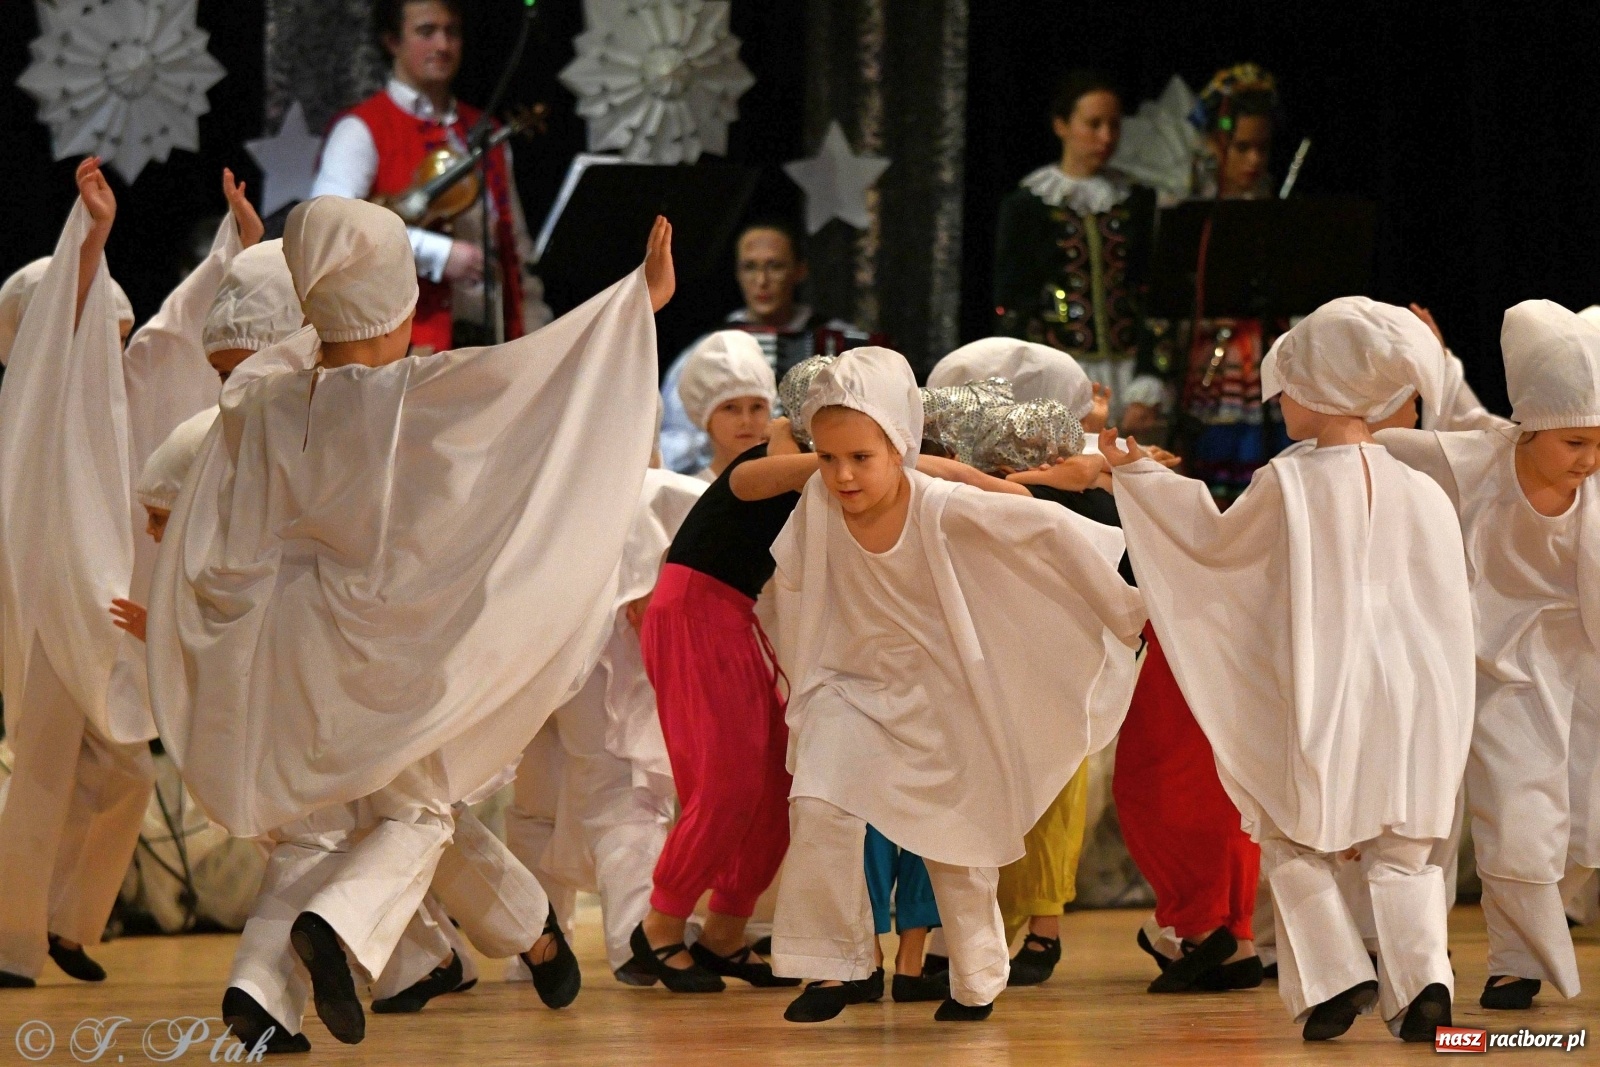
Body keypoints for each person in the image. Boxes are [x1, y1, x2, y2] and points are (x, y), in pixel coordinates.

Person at [144, 198, 675, 1047]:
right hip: (384, 644)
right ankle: (345, 926)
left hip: (290, 647)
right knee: (421, 811)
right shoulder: (418, 392)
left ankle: (259, 990)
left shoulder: (262, 402)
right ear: (394, 303)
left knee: (318, 825)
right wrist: (634, 305)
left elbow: (269, 352)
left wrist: (269, 260)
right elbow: (537, 376)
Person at [1105, 297, 1473, 1043]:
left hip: (1327, 689)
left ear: (1326, 387)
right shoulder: (1423, 488)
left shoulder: (1290, 481)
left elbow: (1216, 549)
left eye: (1288, 388)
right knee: (1403, 849)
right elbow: (1447, 607)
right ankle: (1425, 981)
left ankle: (1336, 975)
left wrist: (1137, 478)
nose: (1277, 404)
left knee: (1286, 828)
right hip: (1415, 693)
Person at [769, 348, 1145, 1023]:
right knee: (818, 803)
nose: (842, 474)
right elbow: (793, 584)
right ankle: (833, 966)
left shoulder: (939, 504)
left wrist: (1127, 608)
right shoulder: (817, 504)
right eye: (828, 459)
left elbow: (1046, 525)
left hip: (939, 693)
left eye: (861, 457)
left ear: (899, 446)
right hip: (849, 690)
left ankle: (975, 974)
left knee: (955, 837)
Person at [0, 159, 259, 989]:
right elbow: (58, 332)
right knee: (40, 771)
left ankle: (69, 922)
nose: (110, 349)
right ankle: (12, 941)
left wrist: (233, 252)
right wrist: (92, 238)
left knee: (125, 773)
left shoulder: (128, 382)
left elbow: (180, 331)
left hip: (106, 610)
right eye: (89, 332)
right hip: (50, 608)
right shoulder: (39, 404)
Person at [1377, 299, 1599, 1013]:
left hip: (1540, 675)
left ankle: (1518, 959)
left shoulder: (1594, 491)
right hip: (1444, 664)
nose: (1589, 460)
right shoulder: (1474, 456)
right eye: (1574, 444)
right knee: (1422, 819)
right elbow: (1379, 442)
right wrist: (1418, 364)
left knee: (1531, 819)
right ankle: (1417, 965)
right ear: (1528, 429)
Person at [505, 461, 709, 986]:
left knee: (536, 804)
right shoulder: (637, 482)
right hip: (592, 646)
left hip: (517, 642)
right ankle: (631, 941)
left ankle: (531, 949)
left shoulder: (526, 469)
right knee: (622, 792)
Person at [310, 0, 549, 354]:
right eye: (426, 31)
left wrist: (538, 338)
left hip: (495, 347)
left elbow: (516, 248)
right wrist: (438, 255)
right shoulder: (361, 130)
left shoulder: (486, 131)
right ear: (392, 41)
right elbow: (329, 230)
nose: (443, 45)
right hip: (405, 353)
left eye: (452, 32)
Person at [993, 70, 1162, 424]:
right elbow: (1014, 300)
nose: (1106, 137)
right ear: (1061, 125)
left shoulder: (1135, 202)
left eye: (1114, 125)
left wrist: (1151, 376)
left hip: (1128, 374)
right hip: (1059, 373)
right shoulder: (1030, 203)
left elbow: (1152, 294)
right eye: (1093, 124)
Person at [658, 220, 870, 474]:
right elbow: (674, 439)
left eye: (775, 266)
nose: (761, 281)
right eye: (750, 267)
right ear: (737, 273)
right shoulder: (708, 350)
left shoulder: (844, 344)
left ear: (799, 270)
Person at [674, 331, 777, 482]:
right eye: (730, 408)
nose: (746, 420)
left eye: (757, 407)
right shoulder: (686, 496)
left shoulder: (789, 496)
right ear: (705, 417)